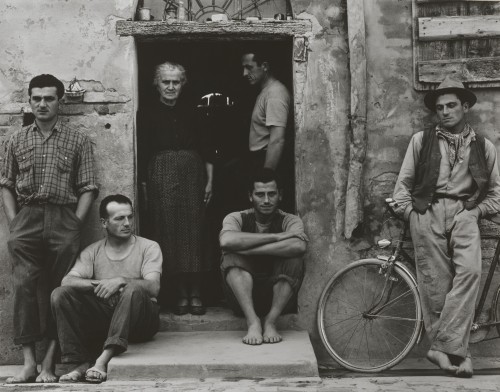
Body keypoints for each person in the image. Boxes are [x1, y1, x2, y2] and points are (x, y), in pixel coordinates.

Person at [392, 76, 500, 377]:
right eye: (439, 107)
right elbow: (402, 188)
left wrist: (476, 212)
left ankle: (442, 348)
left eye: (451, 105)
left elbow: (496, 194)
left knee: (470, 273)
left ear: (465, 107)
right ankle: (458, 355)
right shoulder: (420, 141)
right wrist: (413, 215)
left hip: (466, 212)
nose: (445, 111)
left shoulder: (484, 146)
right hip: (428, 211)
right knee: (436, 283)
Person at [0, 74, 98, 383]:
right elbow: (6, 185)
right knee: (24, 288)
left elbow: (88, 187)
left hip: (63, 218)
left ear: (60, 101)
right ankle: (28, 363)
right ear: (29, 101)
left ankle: (49, 363)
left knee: (61, 291)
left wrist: (75, 223)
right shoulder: (16, 139)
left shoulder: (77, 138)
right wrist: (15, 224)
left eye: (49, 98)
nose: (42, 104)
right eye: (36, 98)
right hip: (26, 219)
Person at [51, 194, 162, 383]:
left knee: (132, 289)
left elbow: (153, 287)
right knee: (60, 295)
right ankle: (79, 362)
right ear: (104, 222)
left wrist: (120, 280)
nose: (127, 223)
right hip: (108, 319)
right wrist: (102, 284)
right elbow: (67, 281)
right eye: (119, 218)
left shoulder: (149, 247)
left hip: (143, 321)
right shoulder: (93, 251)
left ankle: (103, 360)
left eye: (130, 216)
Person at [139, 61, 214, 315]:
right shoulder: (146, 113)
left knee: (195, 232)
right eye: (165, 82)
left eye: (176, 82)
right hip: (161, 176)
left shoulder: (195, 111)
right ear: (156, 84)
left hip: (193, 175)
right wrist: (146, 188)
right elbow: (143, 152)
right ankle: (180, 292)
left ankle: (197, 291)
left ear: (183, 84)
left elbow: (207, 147)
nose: (171, 87)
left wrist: (210, 180)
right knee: (169, 232)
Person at [219, 168, 307, 345]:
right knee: (231, 258)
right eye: (260, 194)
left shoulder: (290, 220)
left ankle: (270, 322)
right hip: (241, 299)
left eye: (271, 194)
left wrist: (249, 248)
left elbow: (298, 245)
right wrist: (275, 237)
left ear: (280, 195)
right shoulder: (237, 218)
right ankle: (252, 322)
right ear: (250, 196)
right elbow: (227, 241)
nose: (266, 200)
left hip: (279, 299)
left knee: (294, 260)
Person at [241, 49, 291, 172]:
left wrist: (267, 174)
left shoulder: (275, 93)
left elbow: (277, 140)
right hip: (258, 159)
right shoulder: (266, 91)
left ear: (264, 66)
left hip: (265, 160)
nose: (244, 73)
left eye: (249, 67)